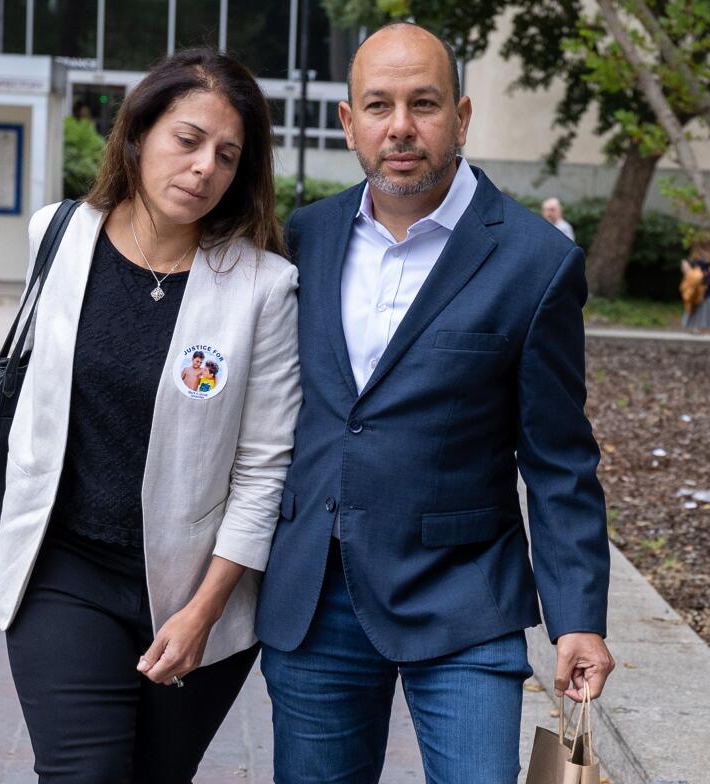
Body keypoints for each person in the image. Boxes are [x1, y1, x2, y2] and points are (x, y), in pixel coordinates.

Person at [257, 23, 614, 783]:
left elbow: (557, 459)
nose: (401, 128)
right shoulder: (304, 237)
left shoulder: (536, 260)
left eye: (424, 103)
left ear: (461, 116)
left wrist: (577, 616)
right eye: (378, 106)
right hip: (315, 594)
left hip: (464, 596)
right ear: (349, 122)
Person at [0, 48, 299, 782]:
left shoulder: (262, 287)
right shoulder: (59, 236)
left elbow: (263, 470)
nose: (203, 168)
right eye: (187, 140)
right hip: (62, 567)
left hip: (195, 589)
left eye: (227, 156)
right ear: (138, 135)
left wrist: (201, 613)